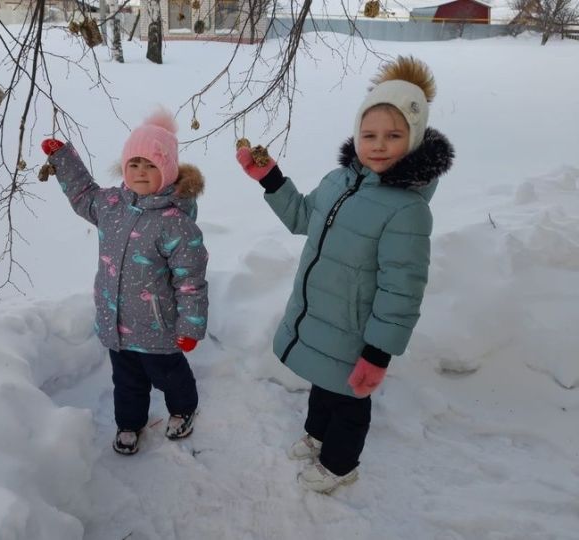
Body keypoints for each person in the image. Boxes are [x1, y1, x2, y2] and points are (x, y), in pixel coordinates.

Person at [235, 56, 454, 493]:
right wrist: (272, 179)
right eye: (369, 134)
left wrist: (378, 353)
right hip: (321, 315)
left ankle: (340, 465)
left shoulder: (407, 211)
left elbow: (403, 290)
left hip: (358, 330)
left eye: (393, 136)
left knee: (351, 400)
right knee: (324, 381)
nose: (377, 144)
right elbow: (302, 217)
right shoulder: (338, 181)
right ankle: (318, 435)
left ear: (412, 141)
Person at [41, 109, 208, 455]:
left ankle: (183, 408)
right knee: (127, 382)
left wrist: (189, 326)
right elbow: (83, 193)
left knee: (170, 376)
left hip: (158, 328)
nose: (141, 172)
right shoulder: (111, 204)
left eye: (151, 165)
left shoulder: (175, 222)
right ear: (124, 167)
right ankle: (129, 424)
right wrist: (62, 158)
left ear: (168, 170)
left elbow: (190, 279)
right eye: (134, 164)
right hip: (116, 323)